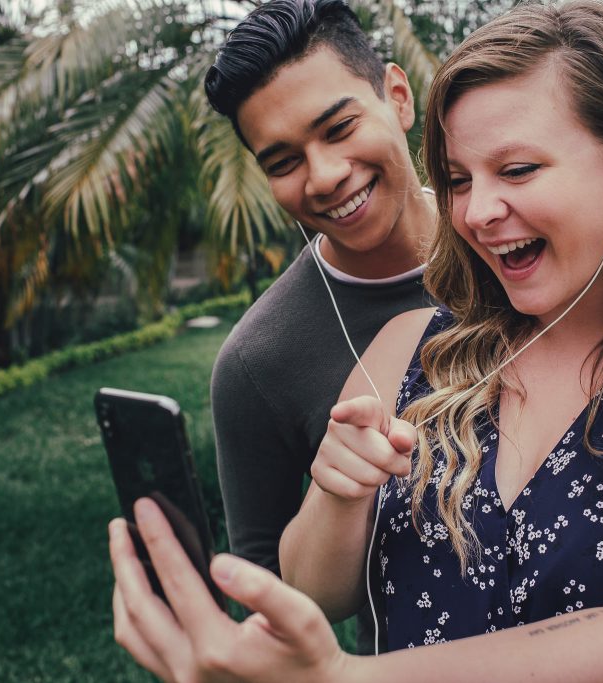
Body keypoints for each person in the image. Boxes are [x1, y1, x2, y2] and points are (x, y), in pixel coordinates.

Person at [108, 2, 603, 681]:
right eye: (456, 179)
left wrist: (345, 677)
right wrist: (336, 488)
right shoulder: (406, 347)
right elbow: (306, 585)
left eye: (517, 169)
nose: (478, 212)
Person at [203, 0, 435, 604]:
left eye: (339, 128)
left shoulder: (519, 251)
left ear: (398, 97)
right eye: (283, 162)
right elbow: (267, 594)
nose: (325, 175)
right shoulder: (257, 365)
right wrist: (335, 499)